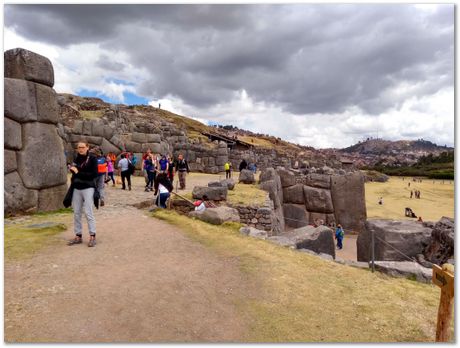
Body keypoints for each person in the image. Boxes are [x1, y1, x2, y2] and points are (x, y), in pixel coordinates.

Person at [67, 142, 98, 247]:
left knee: (88, 212)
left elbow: (94, 174)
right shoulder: (76, 158)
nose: (80, 149)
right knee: (76, 213)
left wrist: (78, 172)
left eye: (82, 147)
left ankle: (92, 236)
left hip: (88, 187)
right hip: (77, 188)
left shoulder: (93, 159)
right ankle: (78, 235)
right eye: (79, 147)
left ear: (87, 147)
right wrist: (73, 170)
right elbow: (74, 171)